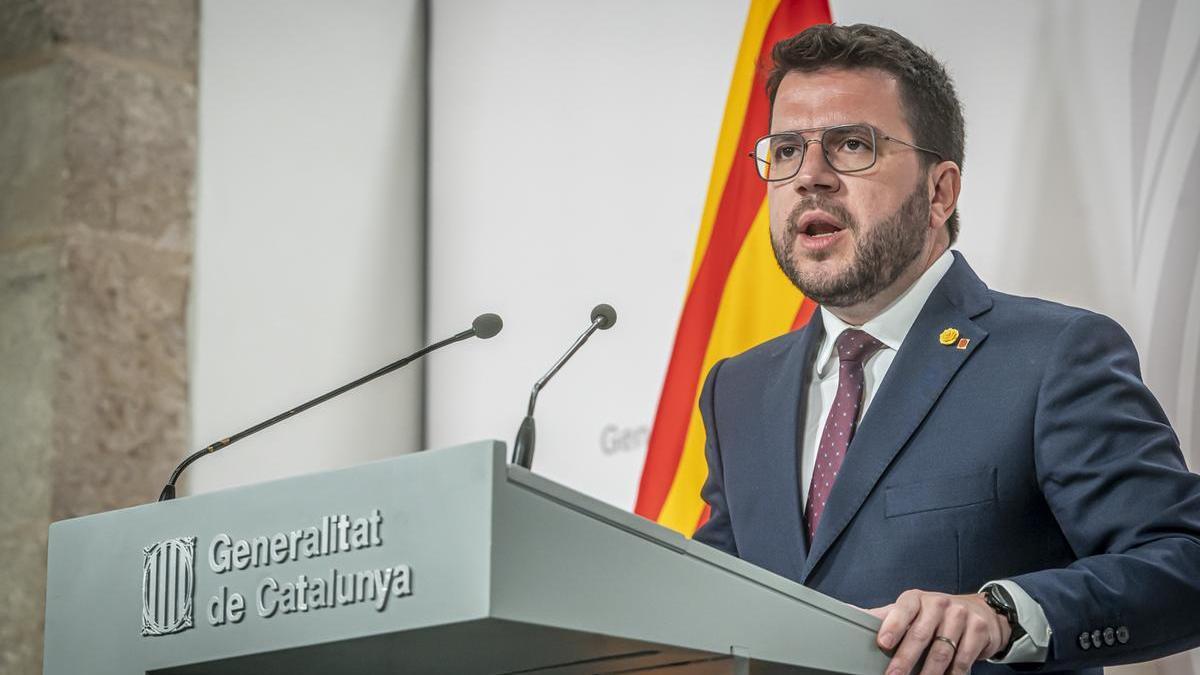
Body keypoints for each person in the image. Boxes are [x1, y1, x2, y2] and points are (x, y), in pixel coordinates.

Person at [690, 23, 1200, 675]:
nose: (809, 177)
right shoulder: (737, 387)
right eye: (786, 149)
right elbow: (705, 600)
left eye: (851, 145)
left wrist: (1003, 613)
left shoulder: (1052, 357)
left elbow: (1184, 558)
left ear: (940, 191)